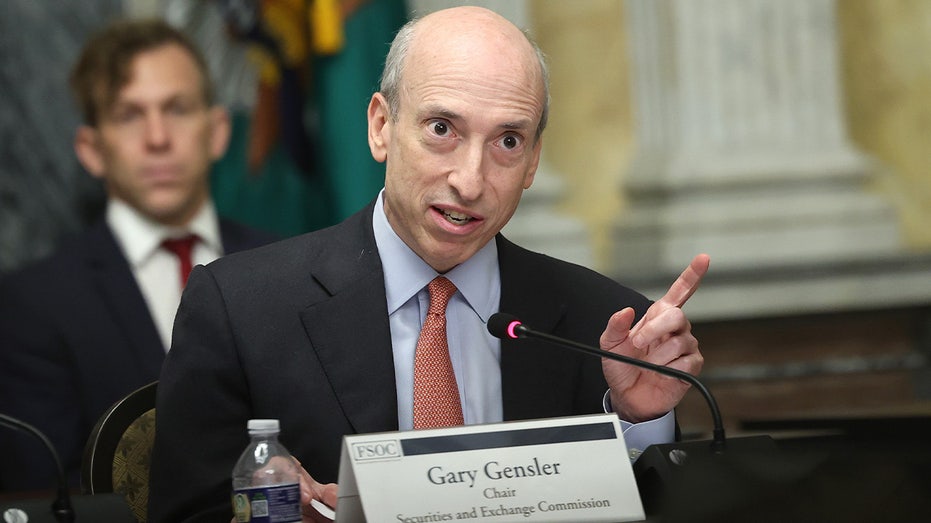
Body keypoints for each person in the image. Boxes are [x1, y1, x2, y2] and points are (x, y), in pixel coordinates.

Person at [148, 6, 709, 522]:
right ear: (380, 127)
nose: (470, 181)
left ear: (534, 162)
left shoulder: (606, 327)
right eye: (442, 129)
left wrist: (638, 423)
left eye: (507, 141)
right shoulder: (239, 309)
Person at [0, 18, 276, 491]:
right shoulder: (33, 303)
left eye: (178, 109)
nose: (157, 138)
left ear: (217, 131)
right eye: (129, 115)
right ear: (91, 149)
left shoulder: (285, 265)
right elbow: (47, 493)